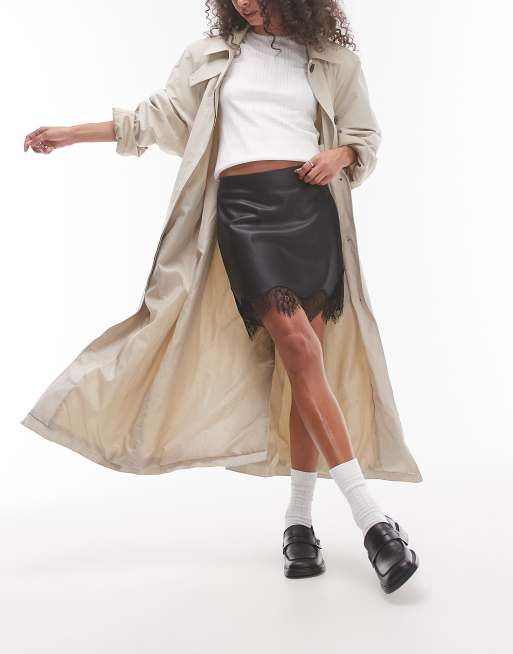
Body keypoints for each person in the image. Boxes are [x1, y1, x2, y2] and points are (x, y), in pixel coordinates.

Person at [23, 1, 420, 594]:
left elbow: (363, 138)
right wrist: (73, 133)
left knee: (303, 362)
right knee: (298, 348)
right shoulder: (208, 58)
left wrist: (340, 154)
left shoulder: (332, 59)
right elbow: (155, 118)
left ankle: (299, 524)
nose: (245, 5)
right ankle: (374, 522)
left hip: (310, 211)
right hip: (244, 214)